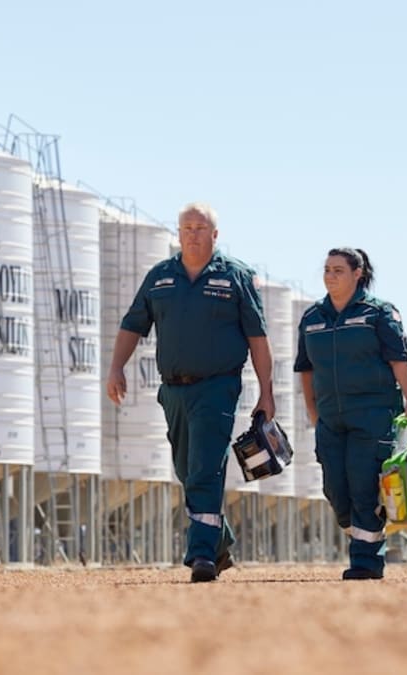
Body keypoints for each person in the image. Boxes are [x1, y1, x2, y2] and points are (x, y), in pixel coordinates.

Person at [106, 202, 275, 583]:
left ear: (215, 235)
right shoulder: (160, 277)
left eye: (201, 228)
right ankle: (219, 540)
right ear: (178, 233)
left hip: (218, 386)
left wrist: (267, 392)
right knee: (187, 469)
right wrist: (116, 367)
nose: (193, 234)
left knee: (204, 467)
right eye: (187, 228)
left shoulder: (236, 277)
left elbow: (258, 339)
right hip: (174, 391)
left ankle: (201, 556)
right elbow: (133, 324)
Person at [294, 247, 407, 580]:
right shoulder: (312, 319)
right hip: (330, 417)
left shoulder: (379, 314)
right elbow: (305, 370)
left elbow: (399, 360)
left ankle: (366, 562)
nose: (330, 276)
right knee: (336, 489)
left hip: (373, 413)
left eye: (338, 270)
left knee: (364, 485)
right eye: (327, 269)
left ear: (358, 274)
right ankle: (362, 537)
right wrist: (312, 412)